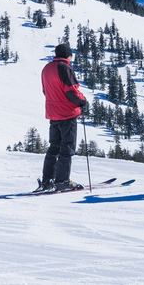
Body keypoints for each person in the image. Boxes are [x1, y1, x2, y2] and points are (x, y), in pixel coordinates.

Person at [36, 43, 87, 191]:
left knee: (54, 147)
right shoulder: (64, 68)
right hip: (67, 113)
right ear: (68, 55)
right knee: (67, 148)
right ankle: (62, 181)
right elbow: (71, 91)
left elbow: (45, 91)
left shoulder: (46, 69)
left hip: (53, 113)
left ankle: (47, 180)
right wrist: (82, 101)